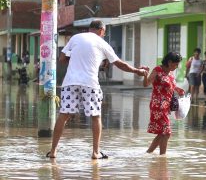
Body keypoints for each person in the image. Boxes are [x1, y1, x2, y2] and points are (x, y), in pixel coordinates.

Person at [46, 20, 148, 159]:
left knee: (63, 115)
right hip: (90, 83)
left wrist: (77, 60)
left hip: (70, 82)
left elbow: (62, 58)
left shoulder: (76, 37)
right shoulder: (103, 43)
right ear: (101, 31)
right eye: (104, 33)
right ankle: (95, 152)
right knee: (96, 116)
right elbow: (119, 64)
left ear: (90, 29)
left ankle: (53, 152)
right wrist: (137, 71)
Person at [143, 52, 185, 155]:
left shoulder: (170, 72)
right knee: (166, 133)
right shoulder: (158, 70)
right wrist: (145, 75)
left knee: (163, 133)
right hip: (158, 105)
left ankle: (149, 153)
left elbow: (170, 86)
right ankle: (163, 157)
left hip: (166, 106)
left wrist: (178, 89)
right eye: (175, 64)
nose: (177, 66)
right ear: (169, 62)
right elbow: (146, 84)